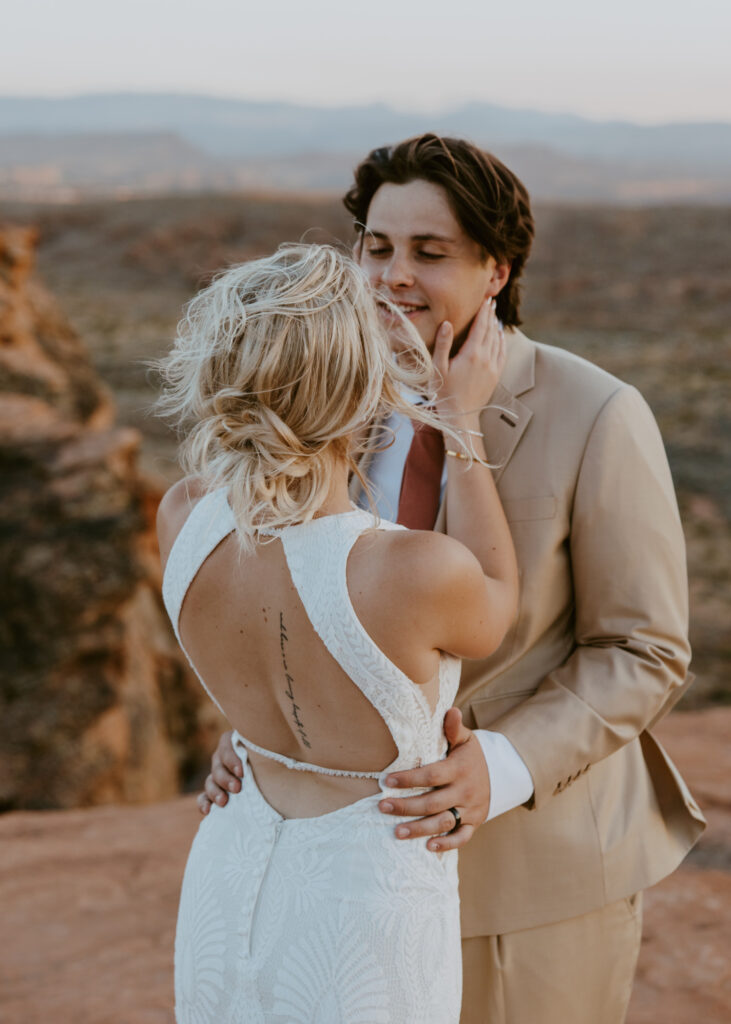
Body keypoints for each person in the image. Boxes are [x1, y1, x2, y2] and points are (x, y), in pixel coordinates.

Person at [202, 135, 706, 1024]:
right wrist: (258, 728)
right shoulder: (325, 404)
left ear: (495, 270)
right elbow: (294, 599)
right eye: (376, 247)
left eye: (429, 254)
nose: (393, 277)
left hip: (532, 878)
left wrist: (499, 769)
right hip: (351, 886)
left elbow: (643, 648)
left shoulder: (596, 412)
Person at [156, 242, 519, 1022]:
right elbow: (498, 600)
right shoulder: (410, 572)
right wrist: (460, 423)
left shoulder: (182, 515)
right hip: (364, 904)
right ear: (366, 390)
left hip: (229, 866)